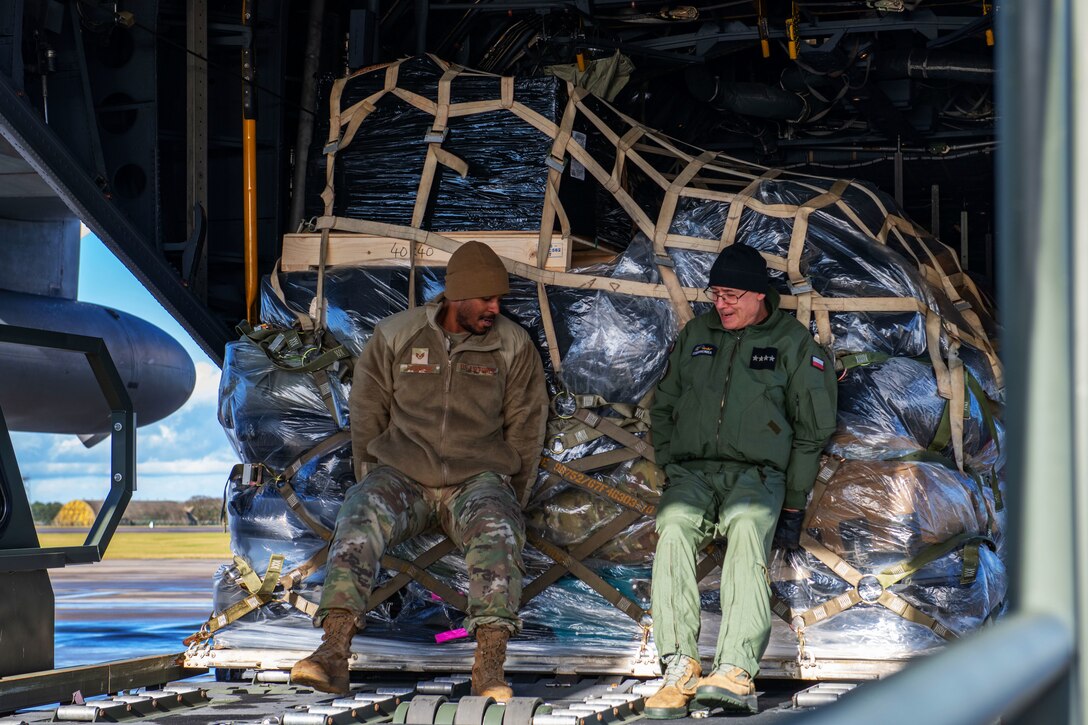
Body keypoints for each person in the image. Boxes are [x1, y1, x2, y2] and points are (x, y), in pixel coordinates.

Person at [291, 241, 549, 699]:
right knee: (361, 509)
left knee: (498, 525)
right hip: (403, 476)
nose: (495, 308)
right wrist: (372, 477)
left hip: (476, 480)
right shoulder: (397, 335)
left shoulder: (512, 344)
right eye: (486, 298)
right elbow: (368, 414)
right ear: (456, 295)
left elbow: (526, 426)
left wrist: (511, 496)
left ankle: (488, 667)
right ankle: (331, 652)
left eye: (499, 299)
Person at [644, 243, 838, 717]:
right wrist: (671, 463)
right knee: (671, 529)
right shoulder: (697, 334)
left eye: (731, 295)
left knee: (749, 531)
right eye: (716, 294)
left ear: (759, 296)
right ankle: (679, 665)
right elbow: (665, 403)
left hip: (758, 474)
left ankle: (734, 668)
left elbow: (812, 431)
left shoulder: (792, 343)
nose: (722, 304)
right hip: (693, 472)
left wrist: (793, 502)